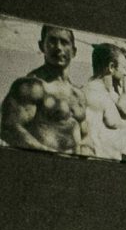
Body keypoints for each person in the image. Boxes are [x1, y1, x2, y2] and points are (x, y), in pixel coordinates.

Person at [2, 23, 87, 153]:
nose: (58, 47)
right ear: (42, 46)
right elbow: (8, 128)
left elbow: (85, 136)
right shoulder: (31, 87)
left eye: (64, 42)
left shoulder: (79, 95)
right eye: (52, 41)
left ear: (74, 51)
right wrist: (46, 154)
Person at [82, 43, 126, 162]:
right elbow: (88, 143)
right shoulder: (93, 94)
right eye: (124, 67)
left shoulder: (107, 93)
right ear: (111, 67)